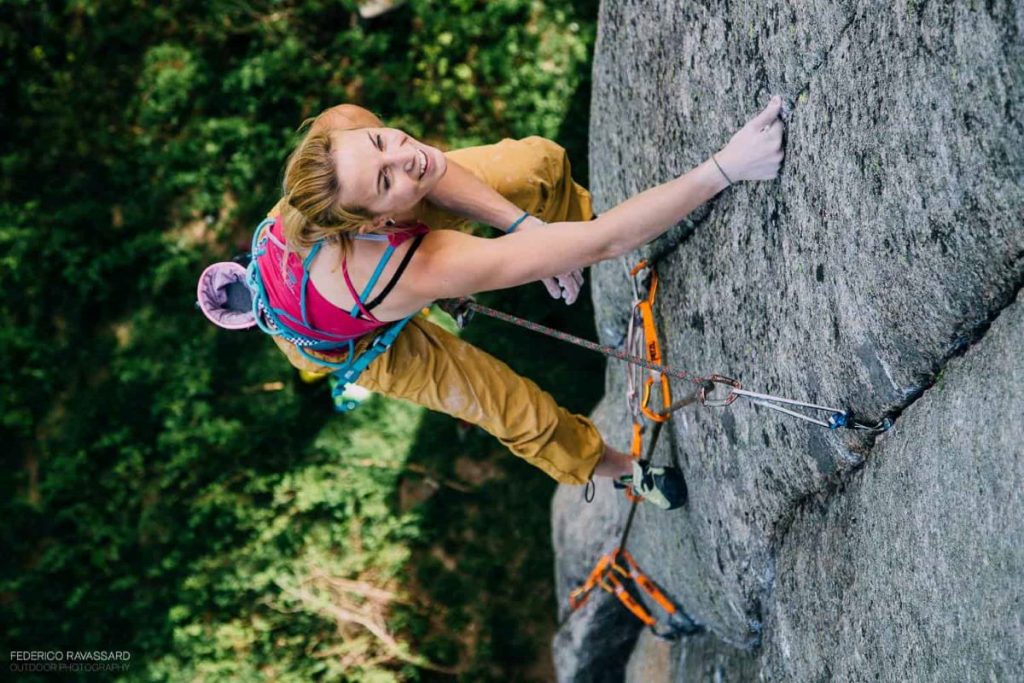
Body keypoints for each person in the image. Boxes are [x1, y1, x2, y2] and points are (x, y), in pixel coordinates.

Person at [251, 97, 785, 510]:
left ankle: (560, 249)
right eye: (384, 178)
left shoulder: (343, 132)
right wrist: (726, 167)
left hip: (345, 264)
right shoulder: (413, 265)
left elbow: (430, 166)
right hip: (344, 339)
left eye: (380, 143)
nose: (403, 154)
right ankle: (625, 471)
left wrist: (528, 231)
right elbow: (608, 240)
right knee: (509, 406)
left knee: (537, 166)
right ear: (376, 221)